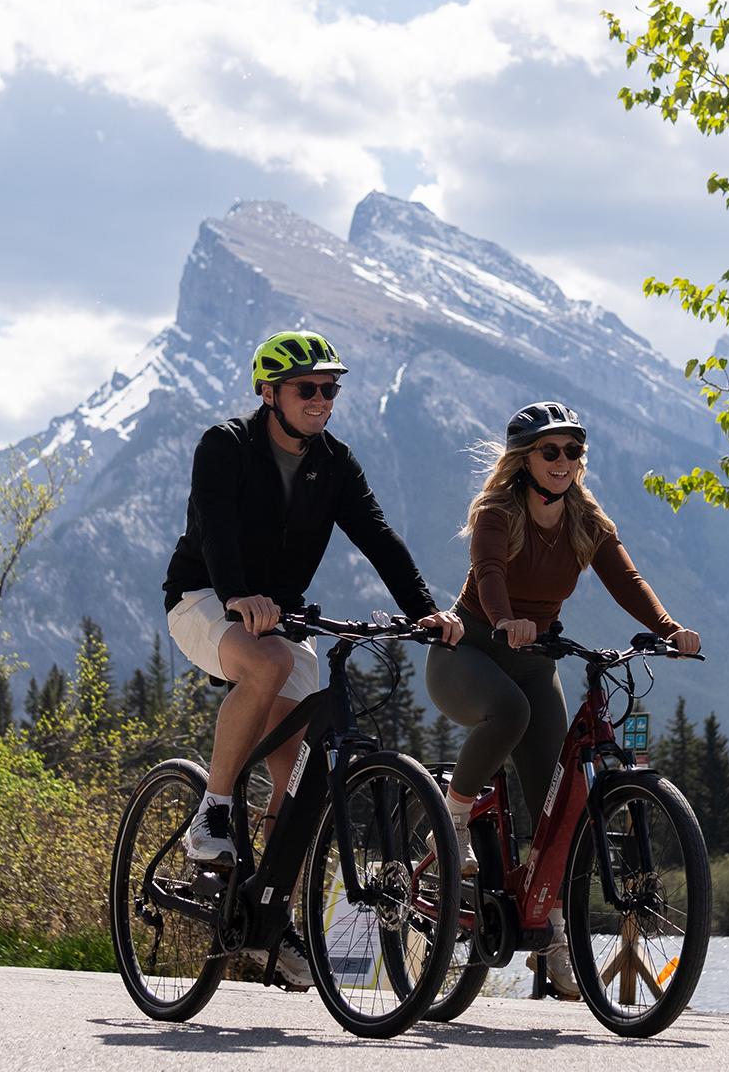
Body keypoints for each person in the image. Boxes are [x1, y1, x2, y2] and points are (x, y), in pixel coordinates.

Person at [163, 329, 462, 986]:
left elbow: (379, 537)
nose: (323, 398)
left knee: (299, 776)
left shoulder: (337, 464)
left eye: (331, 388)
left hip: (280, 615)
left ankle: (274, 918)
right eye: (308, 388)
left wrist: (424, 610)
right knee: (266, 667)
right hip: (205, 596)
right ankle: (212, 811)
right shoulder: (226, 446)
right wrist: (240, 594)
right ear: (269, 393)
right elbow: (212, 526)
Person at [425, 401, 700, 996]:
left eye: (574, 450)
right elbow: (490, 571)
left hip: (534, 662)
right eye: (551, 451)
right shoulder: (498, 510)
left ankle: (551, 941)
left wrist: (668, 628)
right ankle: (450, 821)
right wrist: (504, 621)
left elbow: (626, 579)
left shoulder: (583, 515)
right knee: (511, 714)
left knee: (560, 807)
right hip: (468, 653)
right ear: (524, 459)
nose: (564, 461)